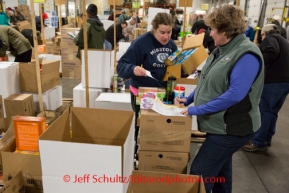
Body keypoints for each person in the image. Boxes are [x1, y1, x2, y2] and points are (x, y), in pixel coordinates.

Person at [175, 5, 264, 192]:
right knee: (221, 174)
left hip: (233, 128)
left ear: (225, 30)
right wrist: (190, 99)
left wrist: (197, 109)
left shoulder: (246, 54)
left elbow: (235, 94)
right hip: (220, 126)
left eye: (213, 29)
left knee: (199, 173)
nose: (210, 33)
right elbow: (207, 79)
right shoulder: (221, 49)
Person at [117, 12, 178, 159]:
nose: (166, 36)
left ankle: (157, 157)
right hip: (142, 93)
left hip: (164, 92)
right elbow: (121, 67)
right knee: (142, 128)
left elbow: (175, 71)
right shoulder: (141, 43)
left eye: (169, 32)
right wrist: (133, 69)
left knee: (161, 128)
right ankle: (139, 157)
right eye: (162, 32)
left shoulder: (172, 45)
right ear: (154, 29)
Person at [243, 24, 289, 152]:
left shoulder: (270, 38)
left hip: (273, 82)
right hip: (285, 82)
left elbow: (271, 51)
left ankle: (258, 141)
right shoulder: (284, 41)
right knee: (272, 111)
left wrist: (256, 64)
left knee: (265, 111)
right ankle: (267, 137)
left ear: (264, 34)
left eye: (262, 36)